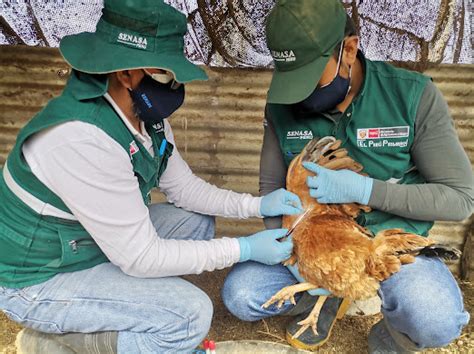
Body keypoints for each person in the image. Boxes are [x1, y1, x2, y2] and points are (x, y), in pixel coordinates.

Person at [0, 1, 304, 353]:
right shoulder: (82, 138)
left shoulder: (143, 116)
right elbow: (141, 257)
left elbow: (184, 189)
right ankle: (60, 343)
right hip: (39, 280)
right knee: (191, 315)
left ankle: (134, 310)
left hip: (88, 243)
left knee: (195, 222)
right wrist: (244, 248)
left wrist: (257, 205)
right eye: (164, 72)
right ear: (125, 72)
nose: (174, 84)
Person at [222, 0, 472, 352]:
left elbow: (460, 198)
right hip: (316, 246)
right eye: (291, 77)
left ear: (349, 50)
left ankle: (390, 336)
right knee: (242, 294)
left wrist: (367, 190)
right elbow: (270, 187)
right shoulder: (282, 104)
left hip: (384, 248)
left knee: (434, 320)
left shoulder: (411, 95)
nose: (299, 92)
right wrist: (292, 251)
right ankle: (321, 301)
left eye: (309, 75)